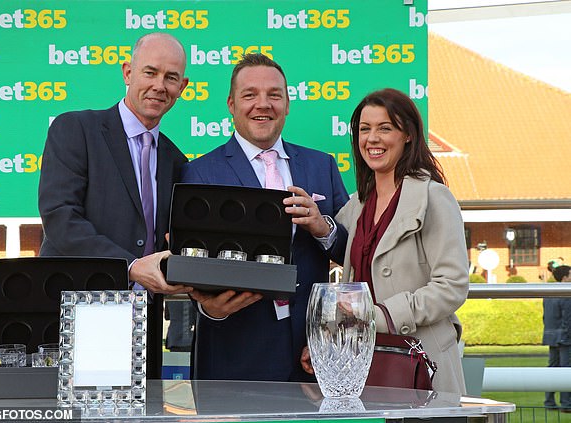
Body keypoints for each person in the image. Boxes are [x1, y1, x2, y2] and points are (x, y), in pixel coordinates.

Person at [181, 53, 350, 382]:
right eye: (250, 95)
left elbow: (351, 252)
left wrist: (322, 228)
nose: (263, 104)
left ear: (287, 104)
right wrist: (206, 307)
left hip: (311, 350)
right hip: (233, 348)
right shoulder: (199, 171)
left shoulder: (322, 165)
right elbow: (188, 258)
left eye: (275, 95)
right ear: (231, 104)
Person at [38, 32, 193, 379]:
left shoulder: (176, 161)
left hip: (142, 329)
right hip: (71, 318)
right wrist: (131, 266)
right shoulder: (75, 129)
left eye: (170, 78)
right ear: (127, 72)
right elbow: (60, 218)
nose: (159, 85)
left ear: (182, 87)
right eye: (150, 72)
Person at [309, 88, 469, 393]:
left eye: (385, 128)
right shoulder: (356, 205)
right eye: (365, 129)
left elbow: (452, 286)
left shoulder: (434, 198)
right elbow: (339, 253)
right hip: (365, 362)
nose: (373, 138)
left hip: (422, 361)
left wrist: (380, 315)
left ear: (408, 134)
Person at [543, 265, 571, 411]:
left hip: (551, 335)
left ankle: (549, 402)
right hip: (564, 337)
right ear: (565, 277)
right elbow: (568, 318)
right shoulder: (566, 293)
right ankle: (566, 404)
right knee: (566, 370)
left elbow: (545, 316)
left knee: (552, 368)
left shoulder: (548, 292)